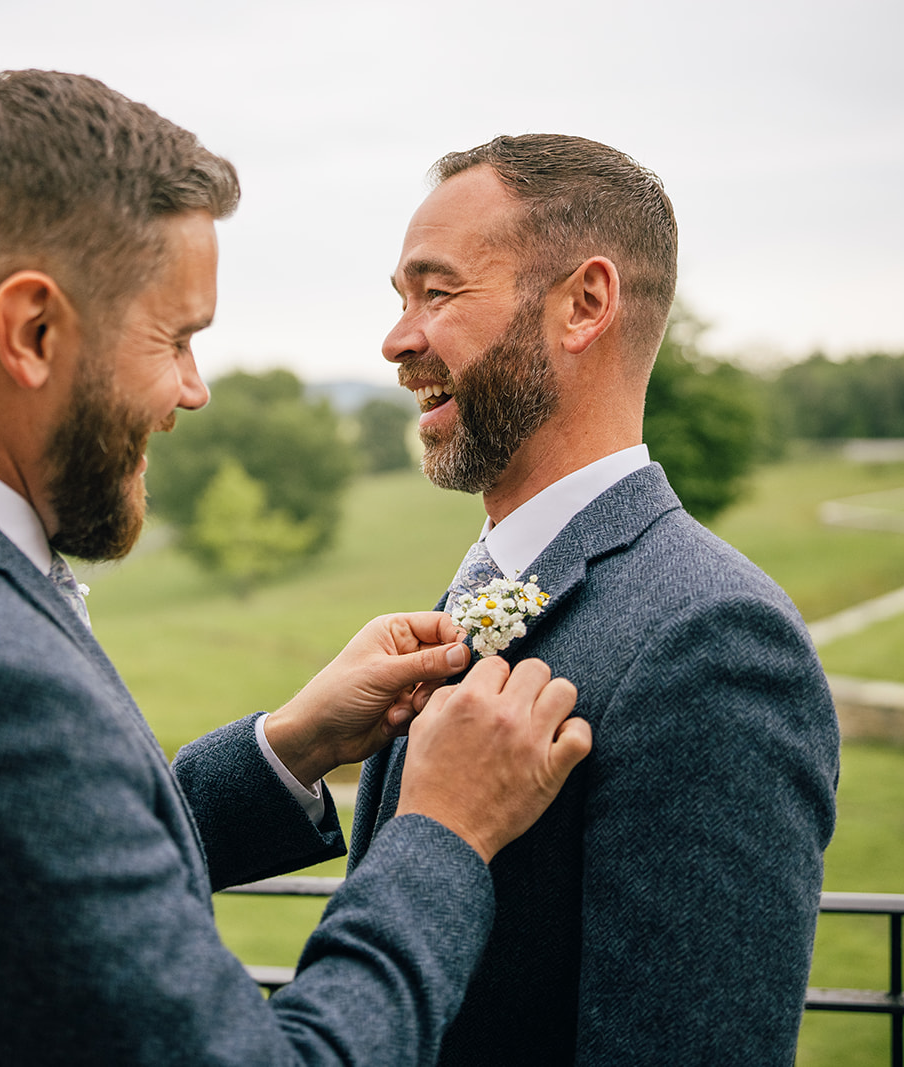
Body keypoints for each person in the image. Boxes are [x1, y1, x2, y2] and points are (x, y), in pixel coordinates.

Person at [0, 71, 592, 1066]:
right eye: (177, 338)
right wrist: (442, 830)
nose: (190, 391)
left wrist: (287, 745)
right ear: (33, 331)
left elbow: (22, 889)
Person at [348, 135, 841, 1064]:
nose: (397, 339)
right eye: (400, 299)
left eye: (438, 292)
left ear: (585, 305)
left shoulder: (715, 640)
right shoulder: (481, 584)